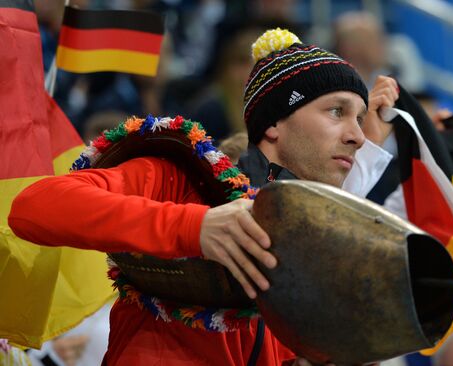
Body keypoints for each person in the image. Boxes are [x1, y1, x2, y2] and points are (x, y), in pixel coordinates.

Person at [9, 28, 398, 365]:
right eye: (337, 112)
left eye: (359, 119)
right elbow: (33, 207)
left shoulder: (306, 250)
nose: (357, 135)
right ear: (274, 124)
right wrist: (194, 227)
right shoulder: (178, 178)